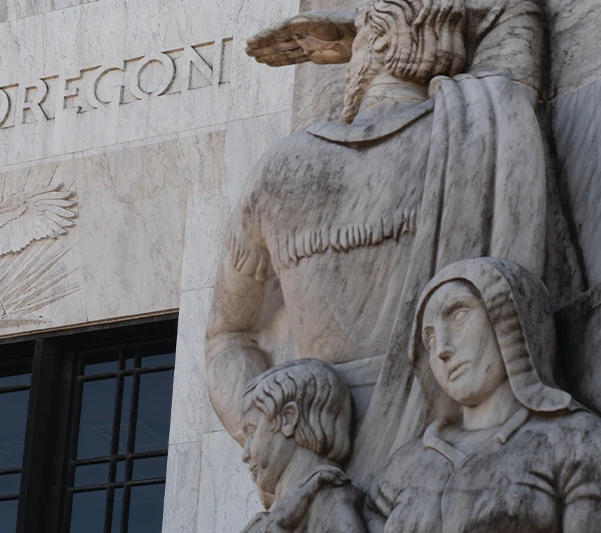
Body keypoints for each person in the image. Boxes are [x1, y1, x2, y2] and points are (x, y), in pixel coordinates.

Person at [206, 0, 560, 478]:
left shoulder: (279, 170)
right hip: (452, 449)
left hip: (322, 453)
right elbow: (516, 20)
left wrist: (271, 433)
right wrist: (370, 31)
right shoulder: (483, 121)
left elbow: (227, 338)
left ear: (371, 49)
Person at [364, 258, 601, 532]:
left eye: (459, 316)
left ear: (512, 318)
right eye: (430, 340)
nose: (441, 349)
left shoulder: (576, 441)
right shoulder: (401, 467)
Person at [238, 360, 366, 533]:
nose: (244, 454)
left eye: (251, 431)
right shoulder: (265, 522)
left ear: (289, 418)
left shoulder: (329, 503)